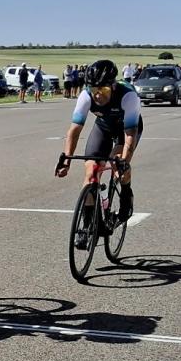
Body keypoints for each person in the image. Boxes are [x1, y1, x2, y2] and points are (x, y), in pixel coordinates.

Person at [55, 60, 142, 248]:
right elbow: (74, 130)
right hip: (103, 127)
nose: (97, 94)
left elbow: (129, 136)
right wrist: (66, 159)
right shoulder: (86, 96)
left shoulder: (128, 97)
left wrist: (124, 161)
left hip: (126, 130)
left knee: (119, 165)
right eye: (93, 88)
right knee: (90, 174)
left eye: (102, 89)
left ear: (112, 85)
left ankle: (126, 195)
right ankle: (88, 226)